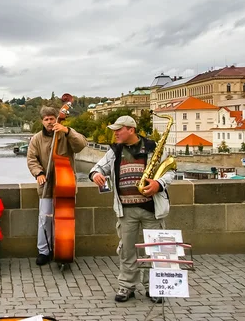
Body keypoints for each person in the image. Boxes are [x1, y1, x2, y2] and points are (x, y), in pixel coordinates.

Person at [89, 115, 174, 303]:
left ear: (131, 130)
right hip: (126, 211)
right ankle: (127, 287)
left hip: (152, 209)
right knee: (127, 251)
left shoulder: (153, 148)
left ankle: (153, 288)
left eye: (119, 130)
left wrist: (158, 184)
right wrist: (95, 175)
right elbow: (97, 168)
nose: (115, 133)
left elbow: (170, 172)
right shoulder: (115, 151)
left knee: (154, 250)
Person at [26, 106, 87, 266]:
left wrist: (67, 131)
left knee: (64, 220)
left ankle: (63, 248)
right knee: (44, 219)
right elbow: (31, 159)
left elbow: (81, 145)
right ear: (42, 121)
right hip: (47, 185)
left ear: (56, 119)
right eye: (46, 119)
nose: (49, 122)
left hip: (65, 185)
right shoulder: (36, 139)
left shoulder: (66, 134)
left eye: (52, 118)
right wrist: (39, 173)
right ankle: (44, 251)